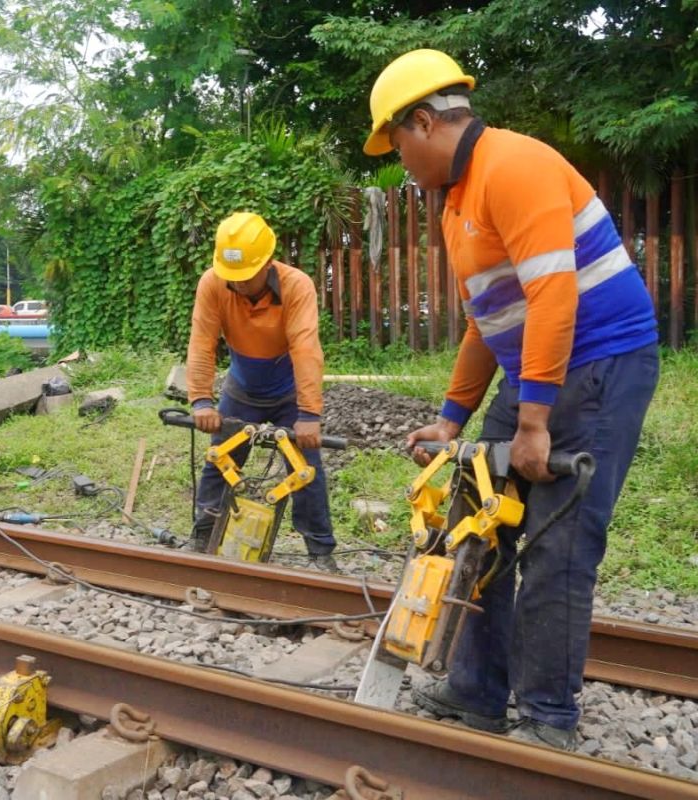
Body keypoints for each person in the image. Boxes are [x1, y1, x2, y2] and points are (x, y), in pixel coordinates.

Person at [364, 49, 659, 750]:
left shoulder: (515, 165)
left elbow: (555, 296)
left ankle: (548, 719)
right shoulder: (456, 204)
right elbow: (485, 319)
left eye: (397, 143)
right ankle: (475, 691)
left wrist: (532, 423)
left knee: (559, 541)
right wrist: (450, 419)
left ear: (425, 121)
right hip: (538, 368)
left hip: (602, 362)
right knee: (477, 521)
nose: (398, 160)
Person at [185, 212, 337, 570]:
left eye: (245, 277)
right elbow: (202, 343)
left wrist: (309, 414)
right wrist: (202, 400)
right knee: (218, 462)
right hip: (241, 389)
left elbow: (305, 348)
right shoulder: (212, 283)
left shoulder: (296, 285)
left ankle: (320, 553)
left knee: (306, 470)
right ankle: (202, 537)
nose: (236, 284)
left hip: (288, 392)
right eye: (230, 276)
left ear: (268, 262)